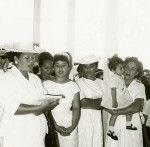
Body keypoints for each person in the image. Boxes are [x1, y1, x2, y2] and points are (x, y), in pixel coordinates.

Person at [0, 43, 59, 147]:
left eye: (33, 57)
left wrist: (51, 102)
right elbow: (12, 107)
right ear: (16, 58)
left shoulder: (35, 78)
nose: (31, 61)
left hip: (36, 130)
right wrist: (39, 108)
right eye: (27, 58)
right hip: (16, 131)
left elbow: (43, 98)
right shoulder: (5, 78)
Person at [105, 57, 146, 147]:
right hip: (114, 125)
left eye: (133, 69)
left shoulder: (139, 86)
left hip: (132, 123)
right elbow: (105, 101)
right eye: (126, 67)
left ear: (137, 73)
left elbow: (137, 106)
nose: (128, 70)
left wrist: (116, 112)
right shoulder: (114, 81)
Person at [43, 52, 81, 147]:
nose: (60, 69)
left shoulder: (73, 85)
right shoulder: (46, 85)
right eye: (57, 66)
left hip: (69, 123)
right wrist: (55, 126)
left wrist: (72, 126)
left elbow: (76, 107)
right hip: (51, 122)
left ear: (69, 67)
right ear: (53, 68)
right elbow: (44, 109)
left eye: (63, 65)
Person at [76, 55, 105, 147]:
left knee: (97, 142)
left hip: (97, 119)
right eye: (85, 67)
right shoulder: (78, 82)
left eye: (91, 66)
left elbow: (108, 102)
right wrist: (101, 102)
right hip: (83, 119)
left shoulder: (102, 83)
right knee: (84, 142)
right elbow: (83, 103)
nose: (88, 70)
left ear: (96, 67)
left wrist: (93, 102)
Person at [107, 55, 136, 140]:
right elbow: (113, 89)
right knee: (114, 114)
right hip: (117, 99)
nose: (123, 70)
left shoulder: (120, 77)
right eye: (121, 68)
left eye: (123, 68)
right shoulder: (114, 78)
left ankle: (128, 124)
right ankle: (110, 130)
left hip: (122, 98)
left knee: (130, 109)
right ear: (113, 70)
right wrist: (114, 101)